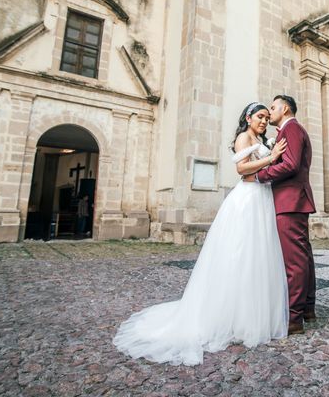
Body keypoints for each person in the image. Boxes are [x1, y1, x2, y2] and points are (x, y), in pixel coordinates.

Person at [113, 102, 289, 366]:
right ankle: (228, 316)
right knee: (239, 253)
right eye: (260, 117)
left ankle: (248, 315)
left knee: (256, 256)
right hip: (247, 199)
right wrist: (272, 157)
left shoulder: (262, 139)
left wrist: (271, 154)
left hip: (262, 198)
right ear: (248, 117)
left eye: (266, 117)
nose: (264, 121)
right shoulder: (244, 137)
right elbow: (241, 169)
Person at [250, 95, 317, 335]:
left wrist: (260, 175)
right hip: (293, 200)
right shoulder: (287, 131)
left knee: (295, 262)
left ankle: (294, 318)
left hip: (290, 202)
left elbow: (290, 165)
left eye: (273, 107)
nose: (270, 111)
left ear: (285, 108)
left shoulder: (292, 129)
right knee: (303, 257)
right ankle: (307, 309)